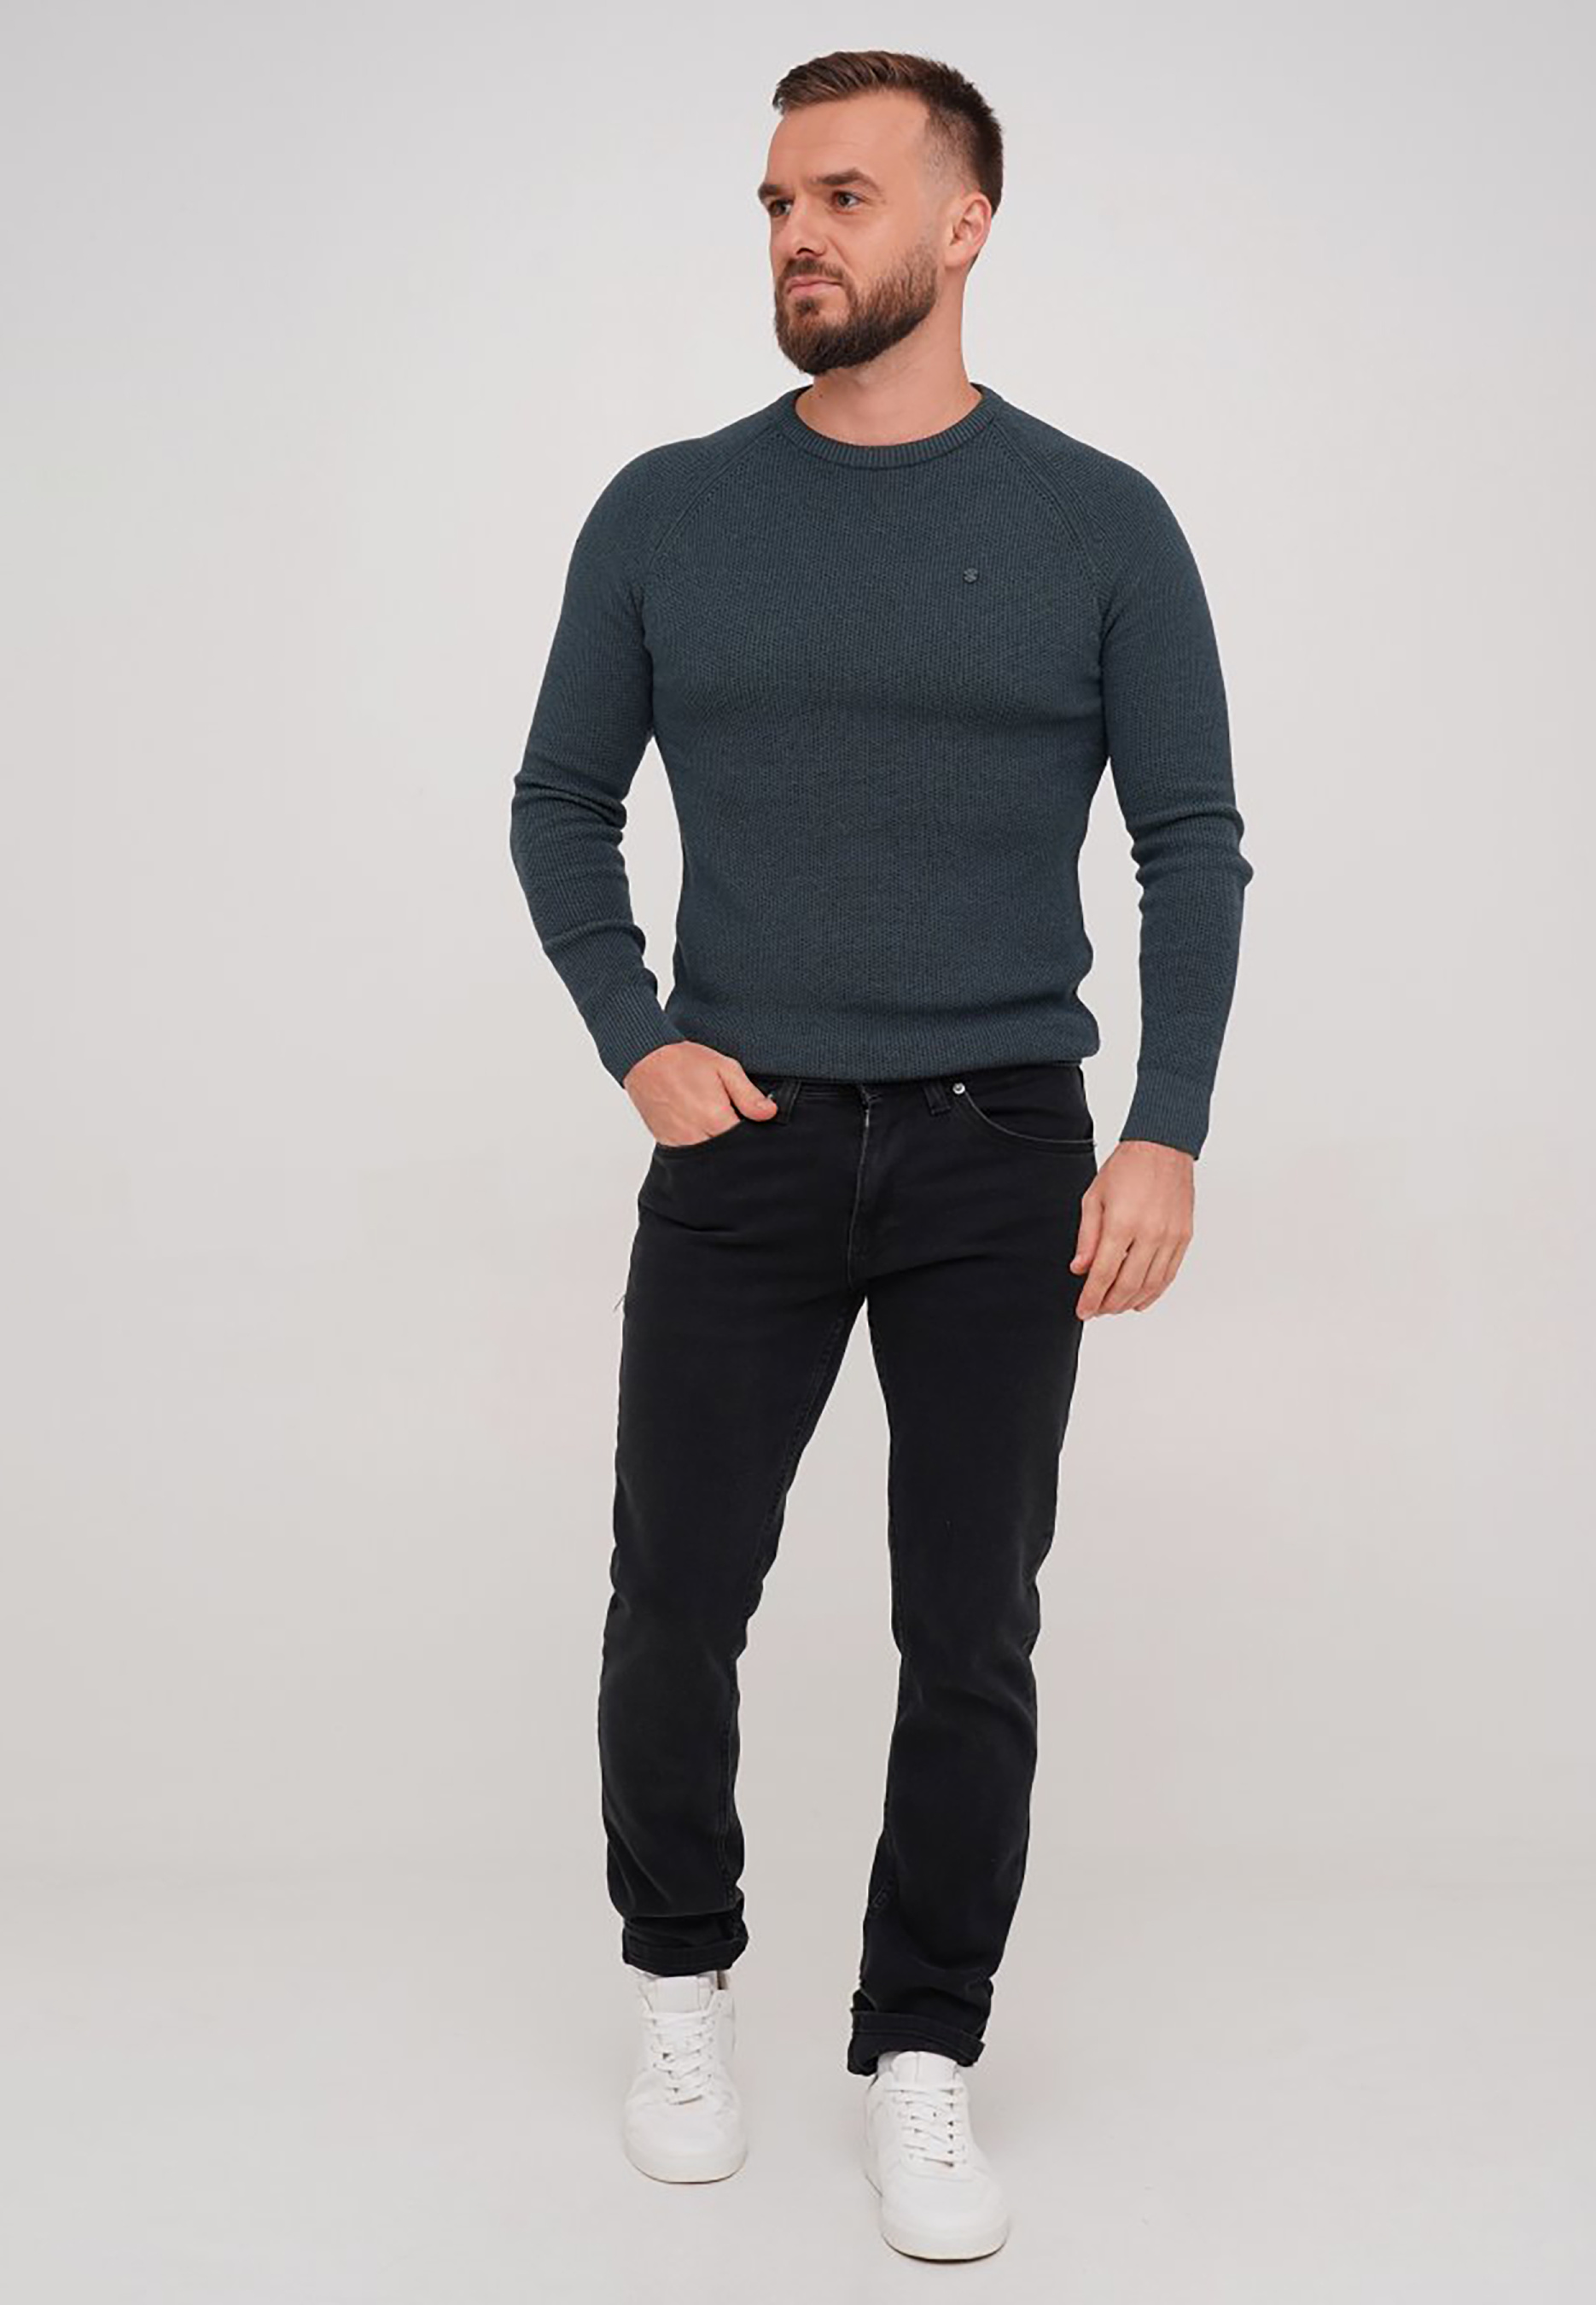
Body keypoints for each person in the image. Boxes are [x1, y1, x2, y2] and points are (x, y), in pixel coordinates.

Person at [508, 47, 1253, 2262]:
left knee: (970, 1622)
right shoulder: (666, 512)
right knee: (673, 1594)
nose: (796, 235)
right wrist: (636, 1040)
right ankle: (680, 1989)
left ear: (963, 223)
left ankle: (922, 2046)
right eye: (773, 201)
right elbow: (559, 802)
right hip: (742, 1138)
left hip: (999, 1142)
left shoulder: (1100, 523)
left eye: (841, 194)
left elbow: (1190, 840)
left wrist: (1167, 1130)